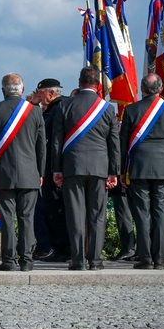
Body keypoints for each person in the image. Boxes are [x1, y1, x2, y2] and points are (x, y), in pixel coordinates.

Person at [52, 65, 120, 271]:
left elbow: (56, 141)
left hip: (73, 166)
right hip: (100, 168)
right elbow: (113, 143)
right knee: (97, 215)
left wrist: (56, 169)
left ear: (79, 83)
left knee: (75, 215)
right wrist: (113, 171)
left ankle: (78, 260)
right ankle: (96, 260)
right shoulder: (107, 108)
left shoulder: (65, 105)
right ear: (98, 86)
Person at [0, 73, 46, 272]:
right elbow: (41, 147)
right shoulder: (35, 112)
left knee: (7, 218)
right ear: (23, 90)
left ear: (3, 90)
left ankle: (8, 261)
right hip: (30, 174)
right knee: (27, 218)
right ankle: (26, 260)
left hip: (2, 173)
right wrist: (40, 172)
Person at [119, 73, 164, 269]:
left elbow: (122, 144)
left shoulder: (131, 110)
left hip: (139, 167)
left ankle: (145, 258)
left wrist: (122, 170)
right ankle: (160, 259)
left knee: (142, 213)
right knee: (161, 214)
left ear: (142, 88)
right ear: (161, 88)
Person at [32, 78, 70, 263]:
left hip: (54, 167)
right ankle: (58, 247)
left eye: (40, 93)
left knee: (56, 209)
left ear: (51, 93)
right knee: (50, 208)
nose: (38, 96)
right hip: (51, 167)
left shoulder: (58, 109)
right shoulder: (51, 109)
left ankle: (62, 248)